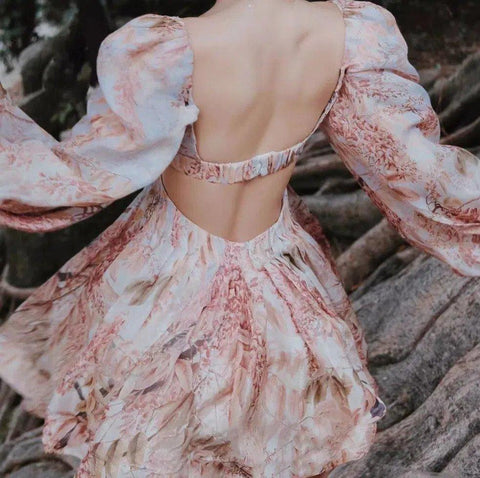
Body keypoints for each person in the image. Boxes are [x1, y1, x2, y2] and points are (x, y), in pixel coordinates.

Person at [0, 0, 478, 476]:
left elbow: (79, 177)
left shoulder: (170, 48)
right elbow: (418, 170)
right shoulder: (351, 34)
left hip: (171, 288)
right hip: (282, 285)